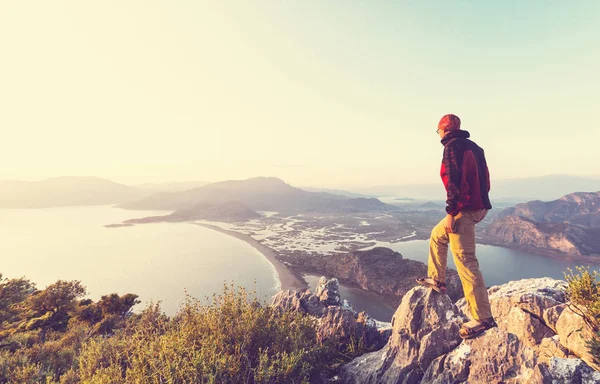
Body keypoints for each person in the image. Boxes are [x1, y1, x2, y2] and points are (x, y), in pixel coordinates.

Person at [416, 114, 496, 339]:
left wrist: (452, 212)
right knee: (437, 235)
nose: (438, 135)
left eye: (438, 130)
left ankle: (482, 319)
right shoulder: (476, 147)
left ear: (444, 129)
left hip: (464, 210)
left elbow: (454, 181)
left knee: (466, 263)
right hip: (479, 207)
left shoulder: (452, 147)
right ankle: (436, 278)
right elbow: (486, 179)